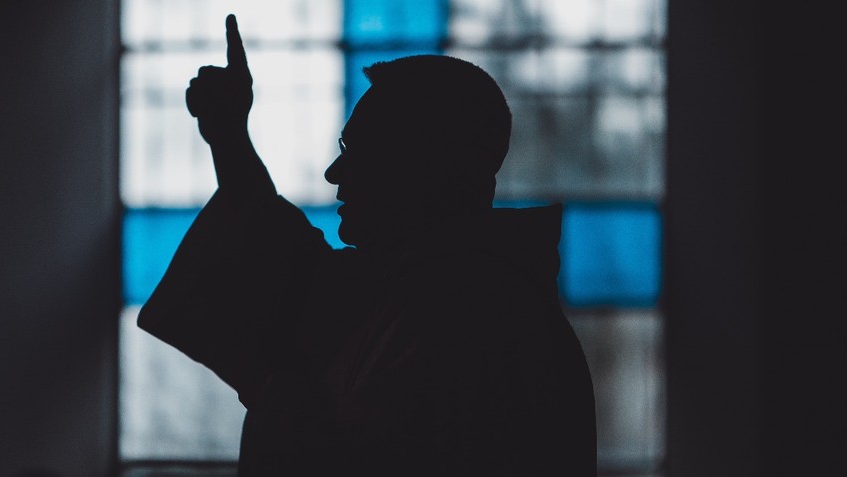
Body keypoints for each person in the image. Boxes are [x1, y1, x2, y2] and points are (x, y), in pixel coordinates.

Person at [137, 13, 597, 477]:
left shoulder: (475, 315)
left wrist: (288, 410)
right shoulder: (421, 287)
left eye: (361, 152)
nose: (335, 174)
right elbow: (288, 267)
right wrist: (229, 137)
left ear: (427, 166)